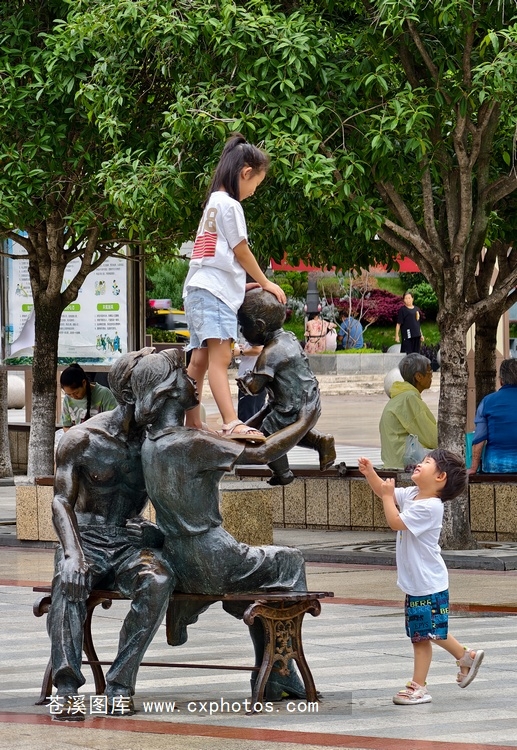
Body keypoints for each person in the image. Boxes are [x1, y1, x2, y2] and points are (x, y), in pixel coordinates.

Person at [131, 348, 318, 700]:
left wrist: (259, 418)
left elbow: (244, 442)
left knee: (264, 579)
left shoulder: (153, 443)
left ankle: (276, 672)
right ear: (167, 391)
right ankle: (281, 669)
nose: (193, 379)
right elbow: (262, 453)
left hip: (179, 555)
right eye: (184, 375)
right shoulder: (189, 442)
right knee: (289, 561)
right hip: (212, 557)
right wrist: (306, 420)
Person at [48, 349, 175, 720]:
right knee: (68, 581)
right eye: (161, 395)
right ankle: (66, 688)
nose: (168, 403)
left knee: (158, 579)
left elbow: (176, 507)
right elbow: (60, 501)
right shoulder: (82, 439)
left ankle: (120, 685)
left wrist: (156, 533)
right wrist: (72, 553)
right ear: (134, 395)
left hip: (128, 543)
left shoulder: (157, 443)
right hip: (84, 539)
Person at [358, 450, 484, 705]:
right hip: (421, 582)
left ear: (440, 477)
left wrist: (387, 497)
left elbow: (395, 521)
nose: (419, 464)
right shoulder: (414, 494)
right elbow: (385, 491)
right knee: (430, 631)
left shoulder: (430, 507)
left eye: (427, 462)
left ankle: (419, 687)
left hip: (427, 583)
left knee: (421, 636)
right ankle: (466, 657)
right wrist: (370, 473)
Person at [182, 133, 286, 442]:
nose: (253, 192)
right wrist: (265, 281)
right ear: (245, 172)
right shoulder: (230, 205)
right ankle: (231, 422)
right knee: (221, 358)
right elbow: (241, 251)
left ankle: (192, 421)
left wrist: (240, 284)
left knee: (199, 360)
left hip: (199, 289)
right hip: (213, 293)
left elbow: (219, 258)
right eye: (256, 184)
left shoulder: (214, 203)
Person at [237, 287, 336, 485]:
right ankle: (321, 441)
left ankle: (283, 473)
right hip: (307, 398)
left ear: (259, 325)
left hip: (289, 406)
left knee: (268, 435)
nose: (241, 331)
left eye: (243, 326)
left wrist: (245, 382)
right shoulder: (289, 338)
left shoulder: (270, 353)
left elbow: (255, 387)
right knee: (288, 431)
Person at [379, 353, 437, 469]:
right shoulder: (409, 398)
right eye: (429, 371)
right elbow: (432, 438)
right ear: (418, 376)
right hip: (402, 465)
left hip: (394, 462)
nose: (432, 375)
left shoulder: (401, 396)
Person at [470, 358, 517, 473]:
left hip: (495, 466)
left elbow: (479, 438)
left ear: (501, 381)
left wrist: (473, 468)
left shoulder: (487, 401)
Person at [60, 363, 117, 431]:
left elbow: (114, 422)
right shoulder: (67, 399)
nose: (73, 397)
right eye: (69, 394)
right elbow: (66, 426)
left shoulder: (104, 394)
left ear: (84, 383)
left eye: (76, 393)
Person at [233, 338, 267, 422]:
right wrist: (245, 348)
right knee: (255, 412)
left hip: (251, 379)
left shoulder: (255, 332)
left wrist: (240, 352)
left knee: (248, 414)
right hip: (254, 377)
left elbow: (258, 350)